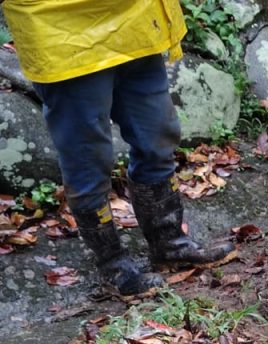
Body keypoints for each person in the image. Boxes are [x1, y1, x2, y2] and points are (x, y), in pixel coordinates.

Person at [1, 0, 230, 295]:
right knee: (87, 156)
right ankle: (112, 265)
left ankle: (168, 243)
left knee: (157, 132)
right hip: (61, 29)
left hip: (134, 20)